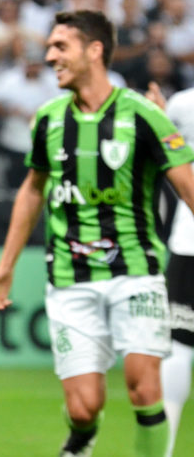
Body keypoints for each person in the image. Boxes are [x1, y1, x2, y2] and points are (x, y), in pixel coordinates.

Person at [0, 10, 194, 457]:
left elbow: (188, 186)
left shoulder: (143, 115)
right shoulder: (47, 119)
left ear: (94, 51)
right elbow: (32, 190)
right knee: (83, 407)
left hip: (135, 271)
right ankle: (81, 436)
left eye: (60, 46)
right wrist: (4, 267)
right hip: (70, 278)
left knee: (144, 387)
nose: (49, 56)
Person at [160, 87, 194, 457]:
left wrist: (160, 117)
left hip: (189, 239)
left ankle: (166, 448)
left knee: (180, 344)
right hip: (188, 238)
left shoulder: (183, 104)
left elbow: (165, 163)